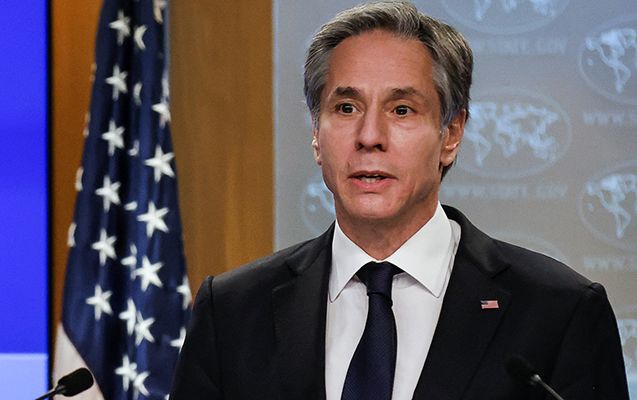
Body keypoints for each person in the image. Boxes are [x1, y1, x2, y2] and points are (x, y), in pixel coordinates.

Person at [170, 1, 629, 399]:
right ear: (316, 134)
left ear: (451, 134)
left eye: (401, 110)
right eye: (346, 108)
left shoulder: (558, 313)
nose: (370, 136)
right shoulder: (232, 313)